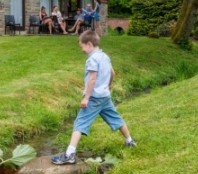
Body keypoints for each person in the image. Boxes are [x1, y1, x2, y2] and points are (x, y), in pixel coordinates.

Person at [51, 30, 136, 165]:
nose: (82, 50)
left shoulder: (92, 59)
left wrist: (86, 98)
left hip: (94, 97)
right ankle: (130, 141)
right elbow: (112, 72)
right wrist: (109, 85)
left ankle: (70, 154)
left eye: (82, 47)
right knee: (116, 118)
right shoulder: (105, 56)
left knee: (80, 123)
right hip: (105, 96)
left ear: (89, 44)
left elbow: (92, 79)